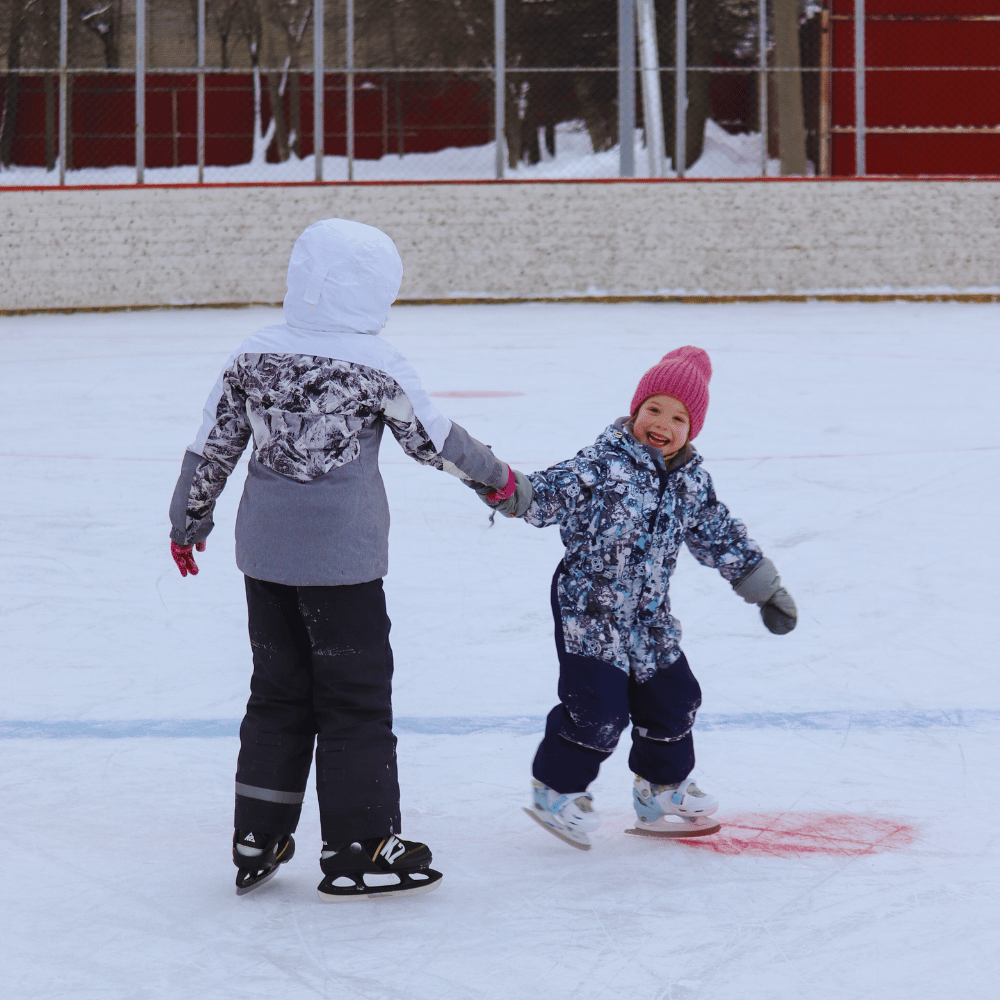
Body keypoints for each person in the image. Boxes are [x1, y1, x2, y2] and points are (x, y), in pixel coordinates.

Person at [169, 218, 522, 897]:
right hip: (343, 568)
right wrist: (497, 478)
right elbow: (434, 440)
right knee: (355, 701)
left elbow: (211, 443)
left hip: (265, 561)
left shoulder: (253, 355)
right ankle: (360, 843)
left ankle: (258, 831)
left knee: (276, 694)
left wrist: (188, 520)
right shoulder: (378, 363)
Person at [479, 346, 796, 849]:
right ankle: (556, 791)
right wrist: (510, 490)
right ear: (635, 410)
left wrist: (763, 587)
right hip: (591, 608)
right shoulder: (604, 463)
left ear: (692, 429)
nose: (662, 423)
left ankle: (661, 791)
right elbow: (550, 493)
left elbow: (719, 533)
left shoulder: (691, 481)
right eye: (653, 409)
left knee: (675, 700)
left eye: (678, 416)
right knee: (599, 711)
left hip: (649, 616)